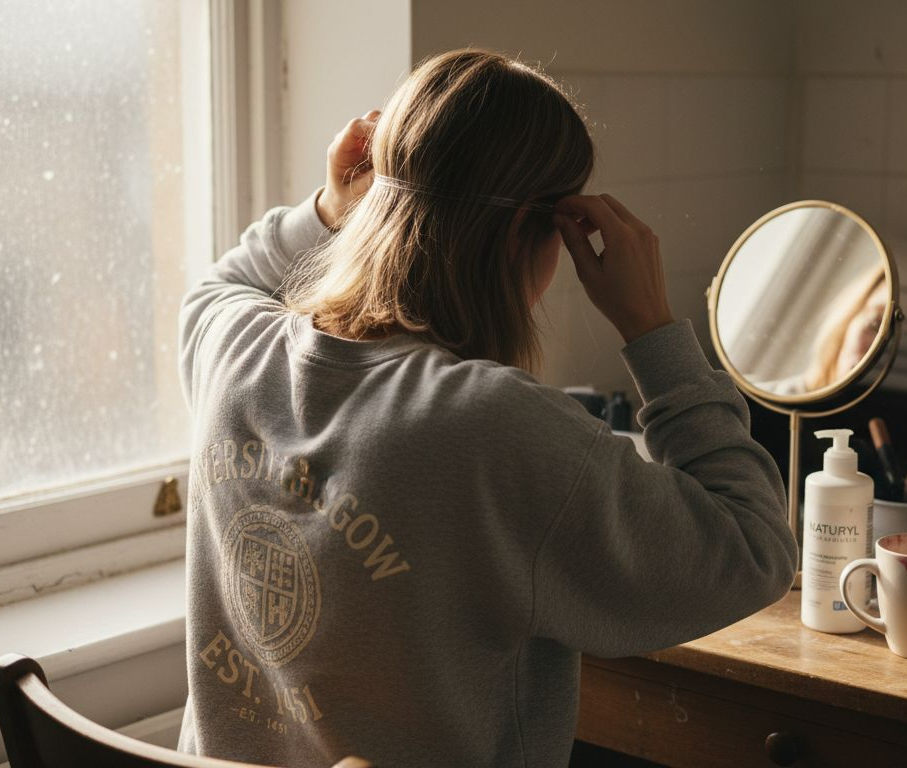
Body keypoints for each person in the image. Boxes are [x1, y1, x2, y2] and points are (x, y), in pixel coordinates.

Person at [176, 49, 796, 768]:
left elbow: (229, 278)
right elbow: (753, 551)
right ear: (524, 236)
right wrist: (652, 328)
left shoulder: (232, 348)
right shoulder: (494, 427)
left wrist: (332, 210)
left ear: (377, 195)